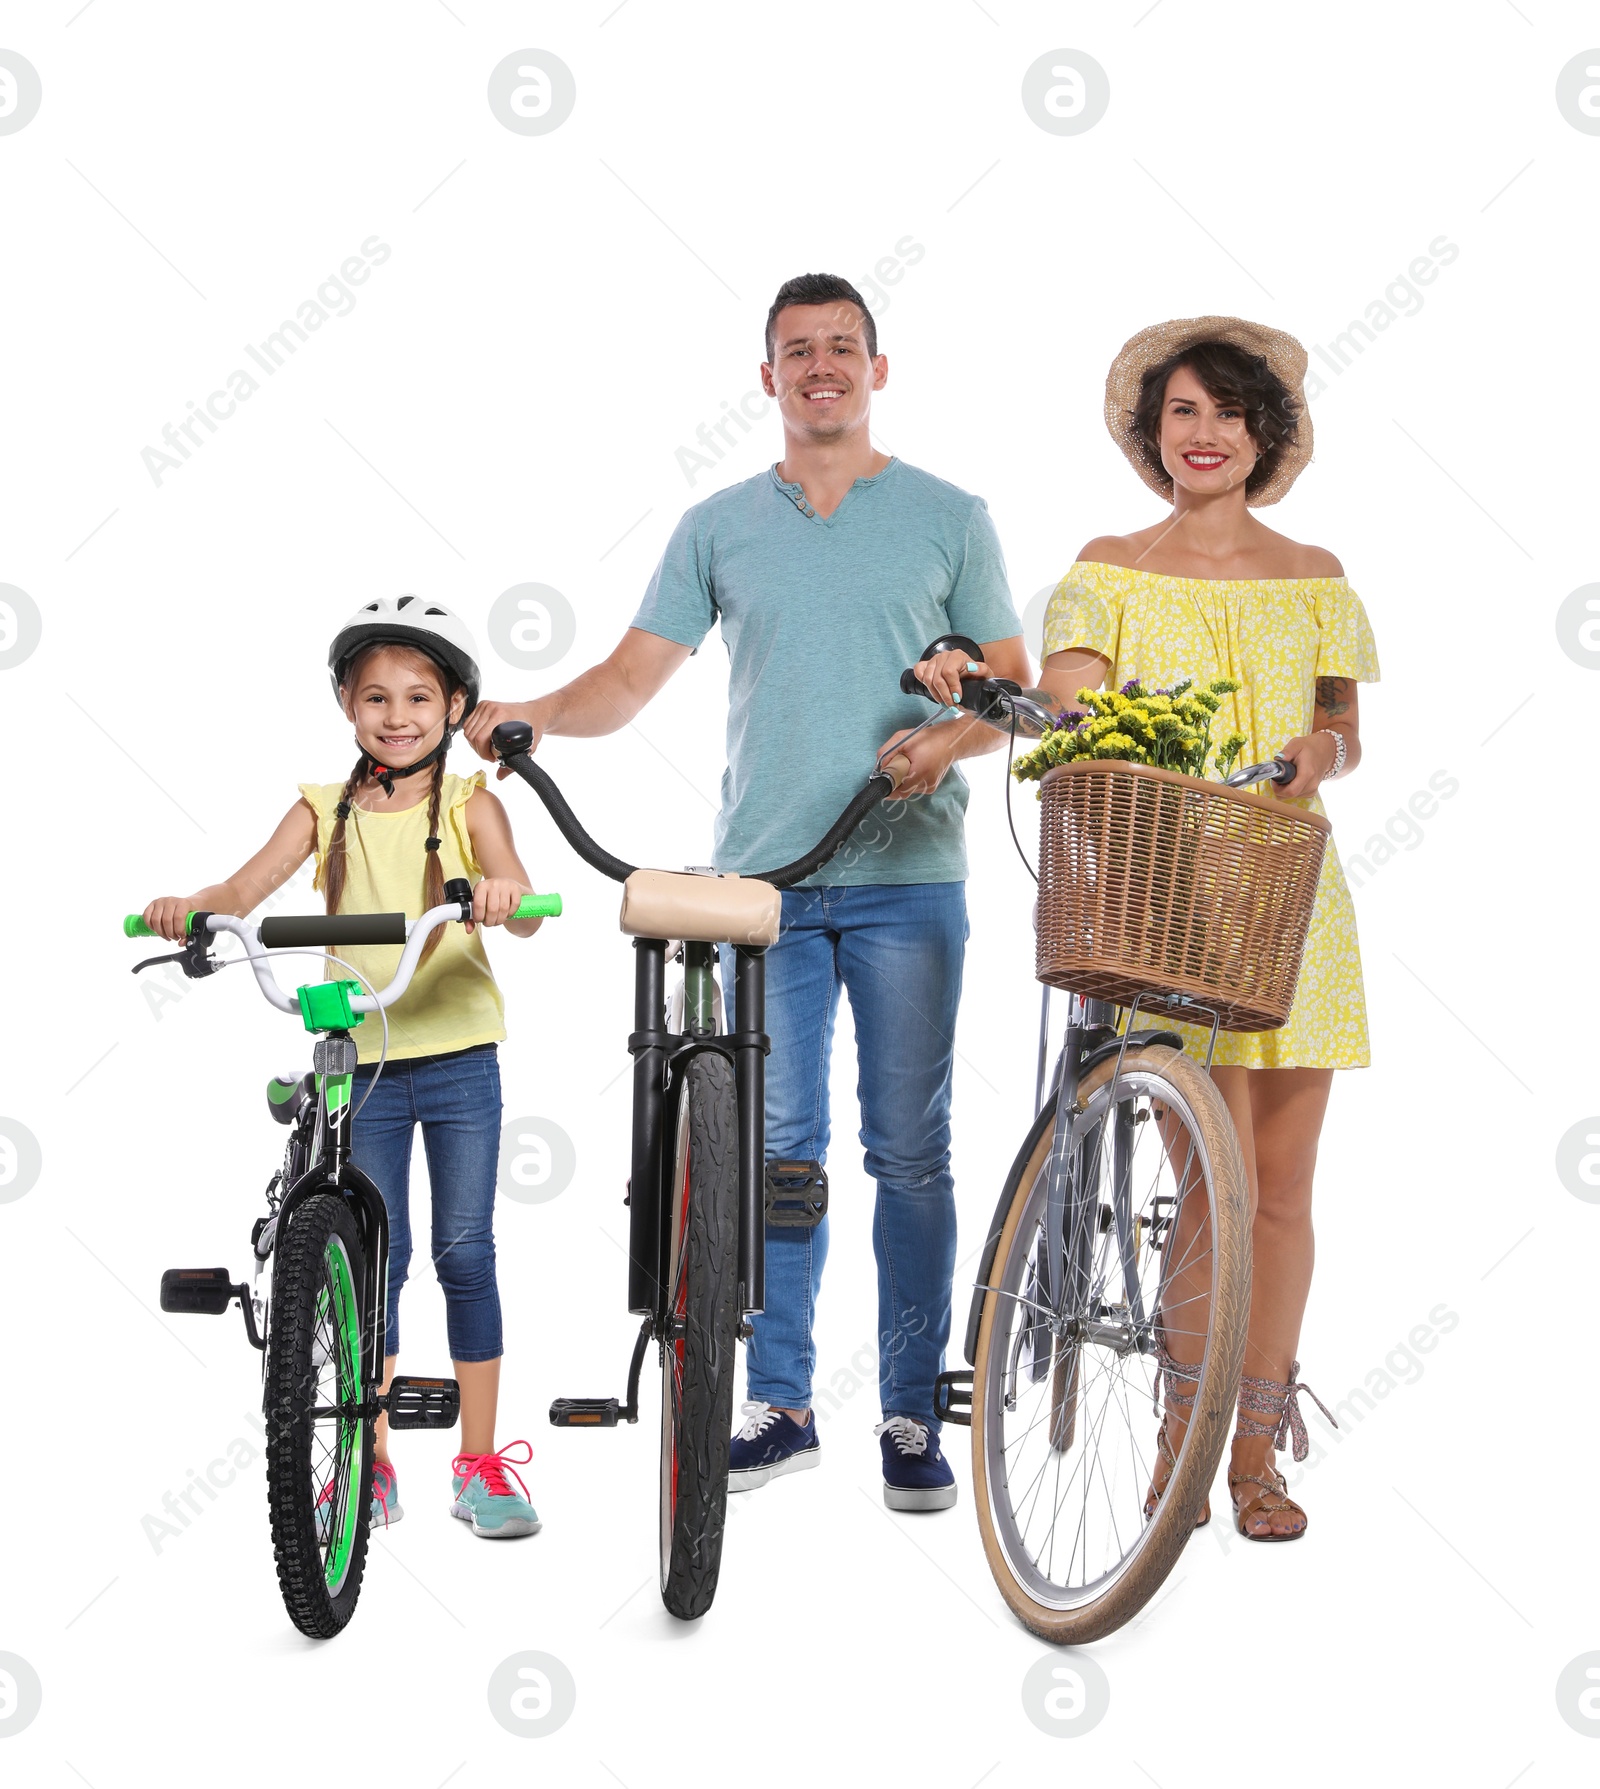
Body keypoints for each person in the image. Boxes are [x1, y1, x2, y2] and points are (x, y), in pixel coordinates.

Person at [468, 273, 1026, 1511]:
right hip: (764, 883)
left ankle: (902, 1413)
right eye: (796, 351)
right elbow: (626, 678)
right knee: (777, 1152)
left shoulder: (949, 514)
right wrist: (532, 717)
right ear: (764, 378)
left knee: (910, 1152)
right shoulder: (719, 525)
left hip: (907, 880)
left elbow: (1007, 694)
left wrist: (942, 739)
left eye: (842, 347)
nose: (820, 365)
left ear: (879, 369)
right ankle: (779, 1404)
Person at [1026, 317, 1375, 1539]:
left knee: (1282, 1193)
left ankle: (1257, 1458)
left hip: (1287, 895)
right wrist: (1094, 706)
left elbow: (1345, 729)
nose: (1206, 432)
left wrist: (1311, 753)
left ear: (1263, 434)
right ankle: (1182, 1448)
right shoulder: (1110, 564)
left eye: (1229, 412)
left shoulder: (1314, 572)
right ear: (1151, 432)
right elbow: (1070, 687)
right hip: (1159, 900)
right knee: (1208, 1188)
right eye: (1183, 411)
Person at [140, 595, 551, 1539]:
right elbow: (244, 887)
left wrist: (500, 894)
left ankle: (480, 1458)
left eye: (418, 696)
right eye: (376, 697)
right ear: (345, 703)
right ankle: (370, 1466)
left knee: (465, 1251)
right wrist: (196, 906)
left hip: (456, 1058)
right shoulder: (321, 810)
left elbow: (523, 902)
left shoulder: (468, 800)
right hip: (359, 1057)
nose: (397, 715)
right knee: (377, 1259)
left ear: (454, 707)